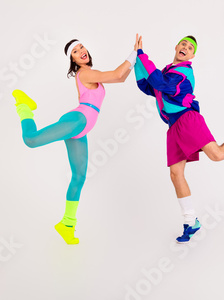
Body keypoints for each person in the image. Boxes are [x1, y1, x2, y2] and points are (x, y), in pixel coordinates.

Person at [134, 35, 224, 243]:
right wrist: (137, 62)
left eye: (190, 48)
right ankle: (191, 222)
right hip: (173, 126)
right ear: (176, 46)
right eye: (183, 44)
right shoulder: (166, 71)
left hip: (187, 119)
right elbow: (147, 86)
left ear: (192, 56)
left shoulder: (183, 73)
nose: (185, 47)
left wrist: (141, 55)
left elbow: (159, 83)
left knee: (216, 155)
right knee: (175, 174)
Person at [12, 35, 142, 244]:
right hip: (77, 120)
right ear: (73, 60)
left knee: (79, 177)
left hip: (81, 128)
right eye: (75, 51)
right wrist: (134, 53)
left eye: (81, 47)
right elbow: (118, 72)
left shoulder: (92, 74)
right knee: (31, 139)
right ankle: (23, 106)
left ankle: (67, 224)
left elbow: (120, 78)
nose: (81, 50)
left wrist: (138, 59)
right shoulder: (85, 73)